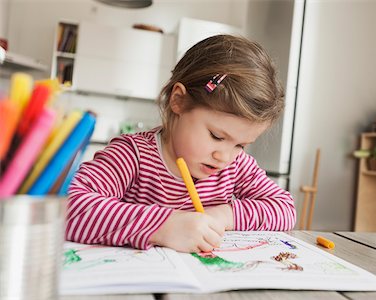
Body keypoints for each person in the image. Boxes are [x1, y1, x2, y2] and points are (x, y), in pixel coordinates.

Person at [66, 34, 296, 253]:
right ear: (178, 101)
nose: (225, 157)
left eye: (240, 145)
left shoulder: (236, 167)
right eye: (216, 136)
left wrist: (224, 215)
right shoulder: (132, 155)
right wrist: (162, 226)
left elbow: (285, 209)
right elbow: (70, 207)